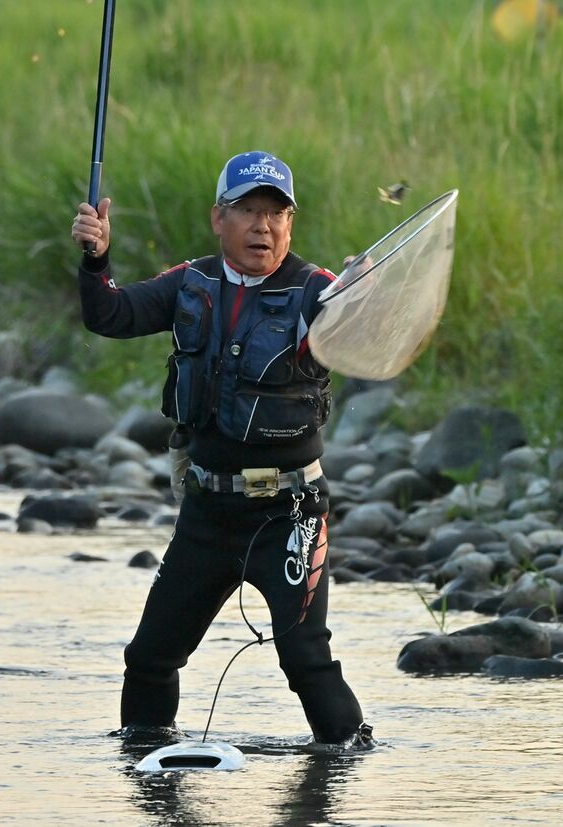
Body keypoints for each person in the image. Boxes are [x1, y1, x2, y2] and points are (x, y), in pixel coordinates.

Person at [70, 151, 373, 749]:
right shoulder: (192, 282)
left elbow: (368, 342)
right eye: (249, 210)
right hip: (207, 511)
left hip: (290, 513)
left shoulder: (320, 293)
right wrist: (96, 258)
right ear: (218, 218)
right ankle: (146, 771)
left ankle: (344, 769)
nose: (263, 226)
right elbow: (109, 314)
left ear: (291, 223)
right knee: (150, 657)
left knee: (306, 661)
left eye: (276, 213)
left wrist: (366, 294)